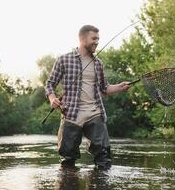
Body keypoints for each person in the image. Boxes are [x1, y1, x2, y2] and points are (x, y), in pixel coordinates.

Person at [45, 25, 131, 170]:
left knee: (104, 157)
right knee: (67, 159)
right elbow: (50, 83)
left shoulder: (98, 63)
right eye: (94, 38)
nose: (97, 42)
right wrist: (52, 98)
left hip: (94, 113)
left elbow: (105, 88)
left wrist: (120, 87)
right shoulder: (64, 60)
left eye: (98, 39)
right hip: (71, 114)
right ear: (82, 38)